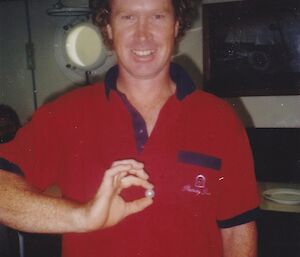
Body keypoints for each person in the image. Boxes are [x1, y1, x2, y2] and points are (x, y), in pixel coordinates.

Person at [0, 0, 260, 257]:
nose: (143, 34)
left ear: (176, 26)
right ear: (109, 29)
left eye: (158, 17)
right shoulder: (67, 113)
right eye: (128, 17)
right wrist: (82, 217)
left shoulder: (219, 118)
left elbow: (238, 229)